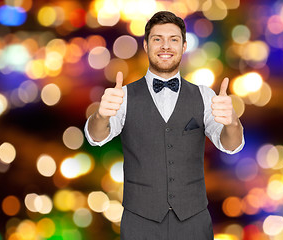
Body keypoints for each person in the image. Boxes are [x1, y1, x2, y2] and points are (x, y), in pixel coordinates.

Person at [85, 11, 244, 240]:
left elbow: (232, 145)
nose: (165, 46)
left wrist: (232, 122)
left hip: (194, 222)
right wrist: (101, 115)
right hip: (139, 222)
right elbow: (96, 137)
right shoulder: (124, 96)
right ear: (146, 45)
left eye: (174, 39)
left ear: (184, 45)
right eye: (157, 39)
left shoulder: (204, 95)